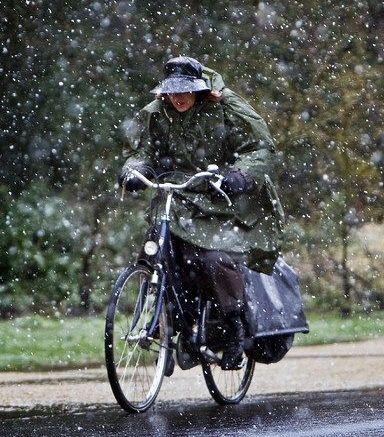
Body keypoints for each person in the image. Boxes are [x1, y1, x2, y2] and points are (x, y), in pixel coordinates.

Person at [118, 56, 285, 370]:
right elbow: (138, 151)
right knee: (154, 249)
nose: (178, 98)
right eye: (172, 92)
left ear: (200, 89)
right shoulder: (154, 114)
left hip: (220, 198)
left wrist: (239, 175)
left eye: (186, 91)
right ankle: (162, 320)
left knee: (211, 260)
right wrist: (134, 169)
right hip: (176, 196)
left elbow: (262, 148)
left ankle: (235, 327)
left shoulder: (227, 108)